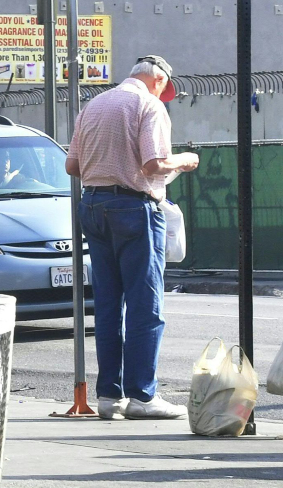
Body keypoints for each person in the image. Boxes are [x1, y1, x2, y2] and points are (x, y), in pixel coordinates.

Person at [65, 55, 199, 421]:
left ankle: (109, 396)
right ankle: (142, 395)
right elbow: (153, 165)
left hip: (91, 204)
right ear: (157, 80)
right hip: (133, 208)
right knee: (145, 304)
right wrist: (184, 160)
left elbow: (72, 166)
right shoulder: (148, 105)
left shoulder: (94, 105)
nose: (164, 95)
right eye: (164, 88)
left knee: (108, 305)